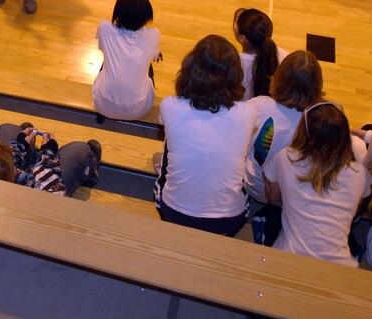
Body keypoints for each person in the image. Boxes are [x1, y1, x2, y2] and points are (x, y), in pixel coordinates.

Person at [154, 35, 256, 236]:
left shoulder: (170, 105)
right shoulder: (249, 112)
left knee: (171, 140)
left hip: (175, 214)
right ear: (235, 75)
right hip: (228, 222)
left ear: (190, 69)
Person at [263, 102, 370, 267]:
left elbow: (274, 200)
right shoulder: (360, 173)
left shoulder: (287, 157)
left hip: (288, 259)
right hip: (342, 266)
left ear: (304, 133)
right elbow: (354, 211)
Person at [245, 51, 324, 244]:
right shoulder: (317, 122)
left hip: (252, 184)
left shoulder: (259, 106)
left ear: (279, 77)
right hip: (289, 197)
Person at [0, 123, 102, 197]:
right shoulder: (43, 191)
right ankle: (89, 169)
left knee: (7, 128)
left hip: (24, 178)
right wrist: (48, 153)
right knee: (79, 150)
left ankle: (30, 153)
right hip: (43, 189)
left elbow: (1, 162)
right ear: (11, 175)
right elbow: (48, 180)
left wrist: (20, 145)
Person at [92, 0, 160, 120]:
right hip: (139, 110)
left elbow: (103, 48)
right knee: (148, 65)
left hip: (103, 105)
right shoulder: (153, 34)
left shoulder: (105, 27)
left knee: (107, 60)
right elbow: (154, 56)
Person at [233, 7, 288, 100]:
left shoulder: (234, 64)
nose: (234, 27)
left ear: (242, 37)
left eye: (236, 25)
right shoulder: (284, 56)